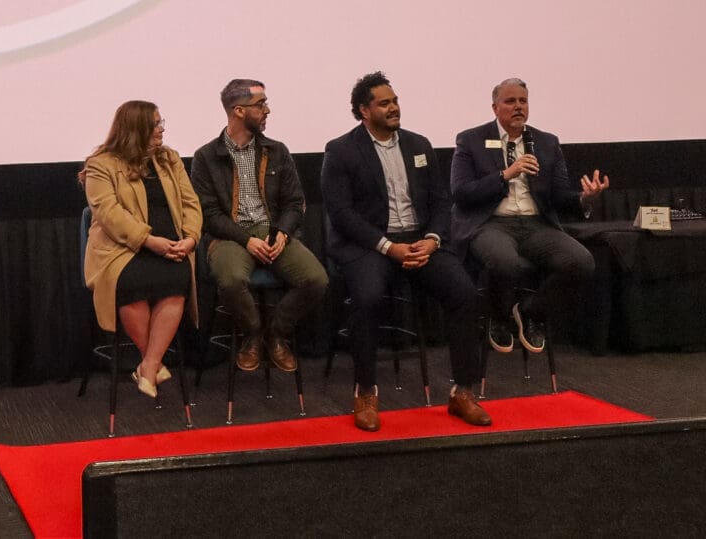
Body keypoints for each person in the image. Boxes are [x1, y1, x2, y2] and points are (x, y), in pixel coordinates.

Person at [321, 71, 490, 432]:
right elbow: (341, 214)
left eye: (395, 100)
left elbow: (441, 202)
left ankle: (463, 392)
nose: (394, 107)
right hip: (370, 243)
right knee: (367, 297)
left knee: (462, 291)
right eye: (384, 103)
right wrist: (388, 247)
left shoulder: (419, 145)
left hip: (419, 239)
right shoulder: (341, 150)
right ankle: (366, 392)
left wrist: (432, 239)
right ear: (364, 111)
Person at [450, 77, 608, 354]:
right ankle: (498, 318)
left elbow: (559, 195)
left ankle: (531, 313)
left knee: (582, 261)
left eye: (523, 101)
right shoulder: (471, 140)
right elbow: (461, 192)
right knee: (504, 262)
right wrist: (506, 174)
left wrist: (585, 198)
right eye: (510, 101)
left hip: (535, 224)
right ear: (495, 107)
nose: (518, 107)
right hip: (491, 224)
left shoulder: (546, 142)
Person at [191, 79, 328, 373]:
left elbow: (294, 202)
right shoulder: (206, 156)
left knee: (316, 279)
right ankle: (251, 334)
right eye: (260, 104)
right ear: (238, 111)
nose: (267, 110)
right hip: (229, 236)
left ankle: (276, 334)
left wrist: (283, 233)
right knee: (230, 280)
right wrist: (245, 239)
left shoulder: (276, 150)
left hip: (273, 231)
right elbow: (208, 213)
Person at [81, 100, 202, 398]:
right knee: (132, 283)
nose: (162, 129)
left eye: (162, 123)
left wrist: (190, 238)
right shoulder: (101, 164)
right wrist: (149, 241)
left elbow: (191, 203)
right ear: (136, 129)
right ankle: (152, 363)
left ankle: (148, 365)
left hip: (171, 247)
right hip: (121, 252)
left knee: (177, 279)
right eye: (156, 124)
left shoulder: (169, 159)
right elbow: (109, 214)